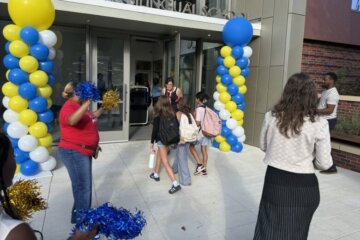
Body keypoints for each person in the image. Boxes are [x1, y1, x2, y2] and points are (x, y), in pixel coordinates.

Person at [253, 73, 333, 240]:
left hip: (275, 181)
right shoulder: (319, 123)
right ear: (312, 96)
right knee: (296, 233)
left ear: (287, 92)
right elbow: (324, 163)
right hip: (304, 186)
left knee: (269, 229)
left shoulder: (271, 116)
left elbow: (263, 145)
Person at [0, 132, 98, 240]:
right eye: (13, 156)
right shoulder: (16, 233)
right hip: (76, 149)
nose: (15, 162)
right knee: (82, 186)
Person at [58, 82, 104, 224]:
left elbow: (92, 117)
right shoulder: (69, 106)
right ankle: (83, 224)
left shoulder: (79, 107)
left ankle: (77, 217)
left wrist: (104, 108)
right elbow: (72, 120)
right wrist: (87, 103)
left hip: (82, 151)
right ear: (78, 93)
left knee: (80, 186)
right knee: (83, 187)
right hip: (73, 151)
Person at [149, 96, 181, 194]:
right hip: (169, 139)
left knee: (165, 161)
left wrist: (151, 143)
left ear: (160, 102)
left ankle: (175, 184)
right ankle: (156, 174)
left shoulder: (158, 114)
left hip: (162, 139)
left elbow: (155, 130)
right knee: (160, 155)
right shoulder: (171, 112)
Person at [317, 72, 340, 174]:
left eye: (325, 79)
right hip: (322, 120)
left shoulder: (333, 94)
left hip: (328, 121)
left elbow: (330, 110)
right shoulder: (326, 91)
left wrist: (314, 111)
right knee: (317, 141)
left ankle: (332, 167)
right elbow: (321, 104)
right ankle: (318, 161)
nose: (323, 81)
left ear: (331, 80)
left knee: (324, 143)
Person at [172, 100, 195, 186]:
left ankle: (186, 180)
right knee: (180, 154)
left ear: (179, 105)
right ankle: (174, 169)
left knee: (183, 159)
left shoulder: (178, 114)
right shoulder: (190, 113)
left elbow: (176, 127)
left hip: (182, 138)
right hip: (189, 138)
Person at [190, 92, 211, 176]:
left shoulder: (199, 109)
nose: (195, 100)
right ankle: (204, 169)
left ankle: (199, 164)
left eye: (196, 98)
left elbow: (198, 123)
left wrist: (192, 122)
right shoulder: (206, 108)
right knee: (204, 150)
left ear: (199, 99)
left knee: (191, 146)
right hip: (207, 131)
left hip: (201, 132)